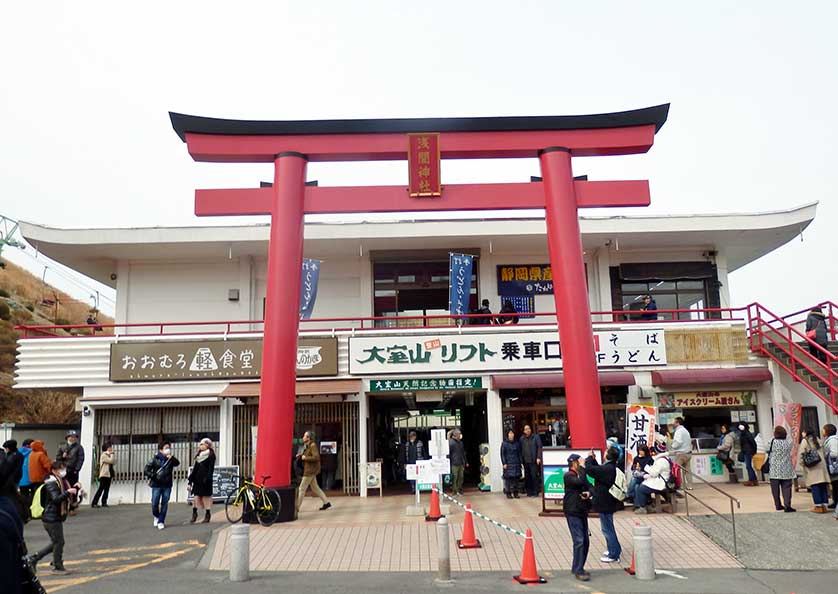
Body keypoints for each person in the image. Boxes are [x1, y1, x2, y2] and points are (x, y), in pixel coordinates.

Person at [26, 460, 77, 574]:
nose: (63, 471)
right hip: (51, 517)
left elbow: (68, 499)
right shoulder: (51, 483)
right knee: (58, 542)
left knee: (57, 542)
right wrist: (68, 492)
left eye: (64, 468)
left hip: (55, 516)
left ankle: (37, 559)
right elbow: (56, 499)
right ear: (54, 471)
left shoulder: (62, 482)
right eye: (61, 469)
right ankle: (56, 566)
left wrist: (75, 490)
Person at [584, 448, 623, 563]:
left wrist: (589, 458)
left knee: (607, 529)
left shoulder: (607, 468)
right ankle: (614, 548)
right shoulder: (610, 467)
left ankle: (613, 554)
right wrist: (594, 460)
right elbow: (598, 470)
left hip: (605, 502)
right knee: (608, 527)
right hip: (608, 502)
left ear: (608, 456)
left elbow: (590, 470)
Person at [563, 453, 591, 581]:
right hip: (572, 511)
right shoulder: (568, 476)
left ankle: (578, 567)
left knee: (585, 540)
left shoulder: (580, 475)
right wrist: (584, 467)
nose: (581, 464)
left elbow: (590, 486)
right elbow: (579, 482)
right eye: (579, 462)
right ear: (574, 463)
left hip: (582, 510)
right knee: (579, 540)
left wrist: (588, 493)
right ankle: (578, 570)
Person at [144, 441, 180, 530]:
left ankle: (161, 521)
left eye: (169, 448)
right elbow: (146, 470)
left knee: (165, 503)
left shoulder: (170, 459)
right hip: (156, 484)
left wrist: (171, 458)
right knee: (154, 503)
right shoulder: (154, 459)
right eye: (166, 448)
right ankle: (156, 515)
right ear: (161, 450)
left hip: (167, 484)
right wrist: (153, 476)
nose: (168, 449)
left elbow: (177, 463)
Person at [296, 431, 331, 513]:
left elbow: (316, 457)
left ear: (308, 438)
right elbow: (307, 455)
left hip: (310, 471)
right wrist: (301, 456)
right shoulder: (307, 446)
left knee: (302, 488)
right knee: (315, 488)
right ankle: (326, 503)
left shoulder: (312, 445)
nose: (303, 437)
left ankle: (296, 508)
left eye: (304, 436)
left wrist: (305, 458)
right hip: (310, 470)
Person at [798, 428, 830, 513]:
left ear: (805, 433)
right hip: (821, 466)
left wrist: (802, 465)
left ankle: (818, 506)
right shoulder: (818, 440)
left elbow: (801, 454)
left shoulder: (805, 441)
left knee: (815, 486)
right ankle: (824, 505)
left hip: (812, 467)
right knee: (823, 486)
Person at [766, 425, 796, 512]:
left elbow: (767, 449)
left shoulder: (772, 442)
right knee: (787, 488)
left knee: (775, 490)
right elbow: (791, 449)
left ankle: (778, 505)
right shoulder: (789, 442)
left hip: (774, 470)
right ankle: (787, 505)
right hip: (786, 469)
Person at [186, 438, 215, 523]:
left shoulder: (211, 455)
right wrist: (190, 481)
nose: (200, 446)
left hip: (206, 479)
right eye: (200, 444)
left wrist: (208, 478)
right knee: (196, 497)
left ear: (207, 445)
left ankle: (207, 514)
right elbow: (195, 469)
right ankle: (194, 513)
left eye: (202, 444)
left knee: (206, 497)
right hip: (197, 479)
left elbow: (211, 468)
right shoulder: (199, 455)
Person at [668, 417, 692, 490]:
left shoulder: (678, 431)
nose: (673, 424)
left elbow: (678, 442)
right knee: (687, 470)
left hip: (681, 453)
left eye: (674, 422)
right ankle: (689, 485)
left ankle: (679, 485)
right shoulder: (685, 431)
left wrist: (672, 446)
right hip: (688, 453)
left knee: (676, 469)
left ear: (678, 423)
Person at [519, 425, 543, 497]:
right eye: (526, 429)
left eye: (529, 428)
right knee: (527, 477)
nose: (528, 430)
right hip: (525, 461)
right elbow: (520, 450)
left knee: (534, 476)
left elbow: (539, 447)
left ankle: (536, 492)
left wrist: (538, 457)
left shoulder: (536, 437)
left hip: (534, 460)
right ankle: (529, 492)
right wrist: (521, 461)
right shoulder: (522, 439)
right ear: (524, 431)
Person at [91, 443, 115, 508]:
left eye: (111, 447)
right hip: (104, 474)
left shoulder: (109, 455)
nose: (111, 448)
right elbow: (111, 461)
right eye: (109, 447)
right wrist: (112, 454)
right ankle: (94, 502)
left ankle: (104, 502)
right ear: (106, 448)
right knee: (101, 488)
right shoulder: (104, 455)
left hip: (109, 474)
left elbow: (114, 462)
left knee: (107, 489)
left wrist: (111, 455)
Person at [500, 430, 522, 499]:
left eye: (512, 433)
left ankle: (516, 493)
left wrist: (521, 462)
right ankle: (508, 493)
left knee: (516, 479)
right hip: (508, 463)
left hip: (516, 463)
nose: (511, 435)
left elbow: (519, 453)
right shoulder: (504, 443)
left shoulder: (517, 443)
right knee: (508, 479)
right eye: (510, 433)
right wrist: (504, 463)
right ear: (507, 435)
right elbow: (502, 454)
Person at [448, 429, 467, 496]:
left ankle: (460, 490)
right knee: (454, 477)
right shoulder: (451, 443)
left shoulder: (460, 443)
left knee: (461, 477)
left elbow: (463, 453)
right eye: (459, 434)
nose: (460, 435)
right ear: (455, 435)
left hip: (461, 462)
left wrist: (465, 461)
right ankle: (454, 491)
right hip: (454, 463)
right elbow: (449, 454)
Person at [823, 424, 838, 509]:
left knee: (836, 485)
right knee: (834, 485)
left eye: (824, 430)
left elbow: (835, 453)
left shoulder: (832, 440)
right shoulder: (831, 440)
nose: (822, 431)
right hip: (834, 467)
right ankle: (835, 501)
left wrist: (827, 455)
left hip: (834, 467)